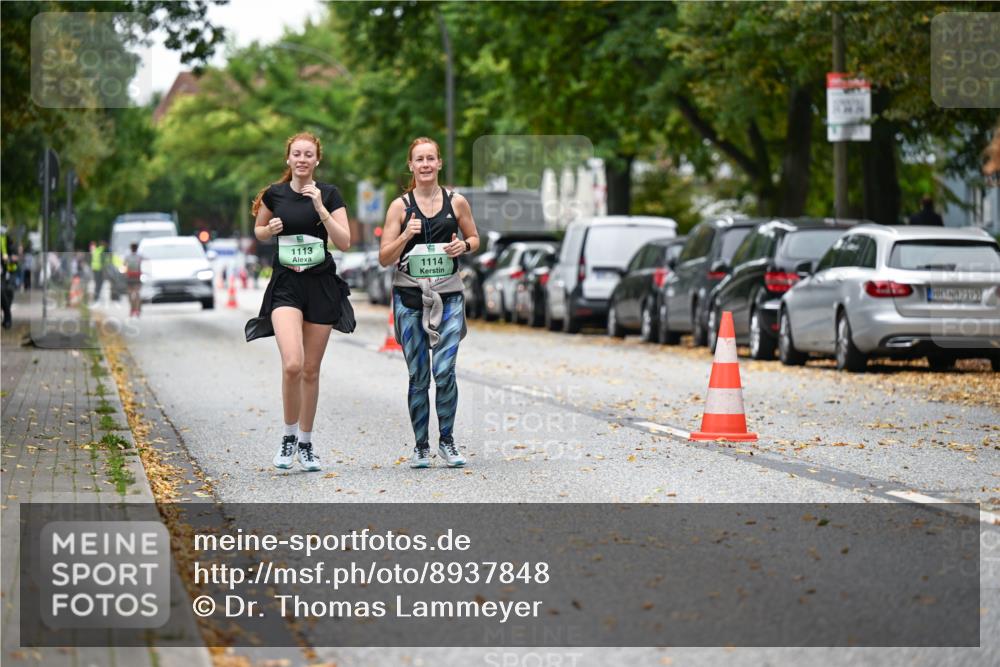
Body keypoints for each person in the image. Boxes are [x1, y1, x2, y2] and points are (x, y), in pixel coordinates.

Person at [245, 132, 354, 473]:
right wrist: (270, 230)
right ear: (288, 159)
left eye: (309, 154)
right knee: (293, 363)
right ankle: (288, 436)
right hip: (287, 285)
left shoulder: (331, 194)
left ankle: (306, 443)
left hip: (320, 284)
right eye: (297, 154)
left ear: (317, 160)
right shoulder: (274, 194)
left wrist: (320, 207)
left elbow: (345, 241)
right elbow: (259, 231)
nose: (303, 159)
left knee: (310, 369)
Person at [378, 137, 480, 469]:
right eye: (419, 159)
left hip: (449, 297)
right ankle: (421, 446)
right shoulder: (399, 206)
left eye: (430, 158)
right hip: (409, 298)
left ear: (439, 164)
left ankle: (447, 441)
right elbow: (383, 257)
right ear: (411, 166)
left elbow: (475, 238)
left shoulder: (457, 202)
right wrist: (406, 235)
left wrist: (462, 247)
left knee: (445, 371)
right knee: (419, 375)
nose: (425, 164)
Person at [124, 242, 143, 317]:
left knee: (134, 294)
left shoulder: (138, 256)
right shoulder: (130, 256)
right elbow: (124, 265)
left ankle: (136, 309)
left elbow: (124, 265)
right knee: (133, 294)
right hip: (132, 277)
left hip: (135, 277)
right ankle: (134, 309)